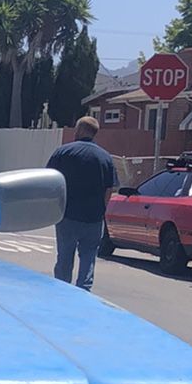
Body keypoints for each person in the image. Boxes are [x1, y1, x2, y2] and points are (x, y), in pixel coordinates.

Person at [47, 115, 117, 291]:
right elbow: (109, 189)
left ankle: (62, 290)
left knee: (64, 257)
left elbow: (50, 181)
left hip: (67, 215)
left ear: (79, 130)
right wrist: (101, 210)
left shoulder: (63, 152)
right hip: (94, 218)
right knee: (88, 257)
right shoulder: (105, 158)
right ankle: (84, 290)